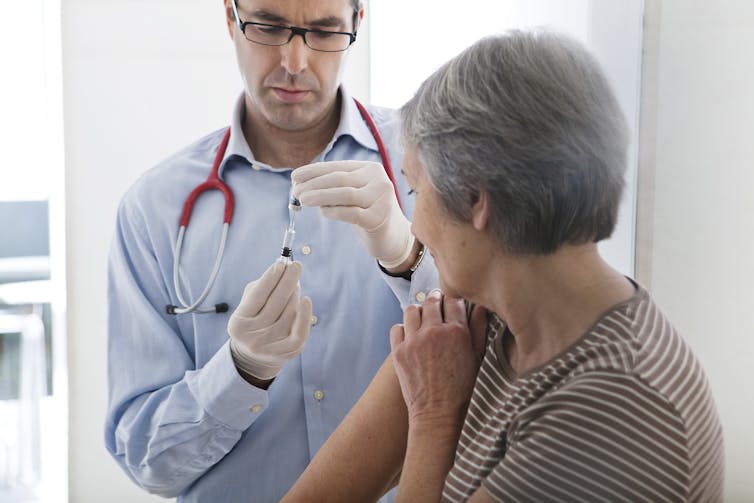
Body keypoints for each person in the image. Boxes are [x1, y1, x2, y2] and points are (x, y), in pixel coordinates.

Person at [283, 30, 725, 502]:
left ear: (476, 199)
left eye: (414, 191)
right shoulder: (482, 315)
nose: (415, 224)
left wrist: (433, 416)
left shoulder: (614, 406)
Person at [104, 0, 436, 501]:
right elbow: (148, 463)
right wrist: (238, 372)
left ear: (357, 23)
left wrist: (410, 260)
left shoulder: (427, 164)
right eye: (269, 26)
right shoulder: (153, 210)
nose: (295, 62)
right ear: (230, 18)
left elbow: (495, 357)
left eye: (324, 31)